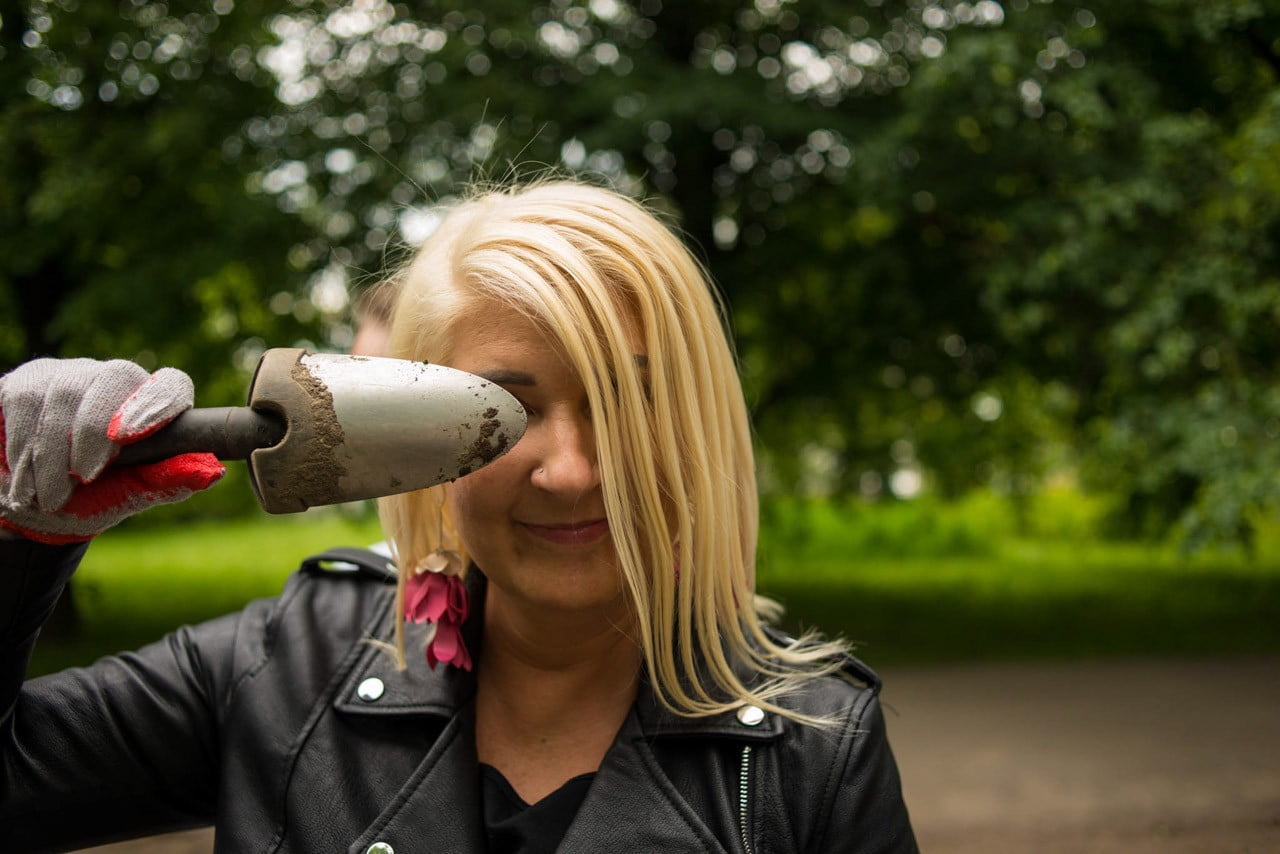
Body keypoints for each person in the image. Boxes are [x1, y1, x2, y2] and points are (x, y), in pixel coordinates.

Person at [0, 179, 917, 852]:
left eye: (626, 400)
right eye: (506, 410)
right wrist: (18, 542)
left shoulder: (813, 751)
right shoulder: (285, 667)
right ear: (414, 442)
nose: (571, 471)